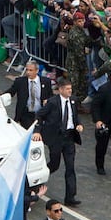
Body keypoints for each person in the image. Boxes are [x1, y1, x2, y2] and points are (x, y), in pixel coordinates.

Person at [33, 78, 84, 206]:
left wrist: (79, 125)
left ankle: (70, 197)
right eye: (67, 89)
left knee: (70, 167)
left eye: (70, 89)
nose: (69, 91)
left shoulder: (73, 101)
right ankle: (37, 180)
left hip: (69, 138)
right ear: (60, 90)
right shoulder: (52, 102)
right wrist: (37, 131)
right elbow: (39, 115)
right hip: (55, 138)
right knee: (54, 164)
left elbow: (75, 116)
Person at [3, 60, 52, 129]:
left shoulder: (46, 82)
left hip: (40, 114)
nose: (28, 72)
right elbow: (10, 92)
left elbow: (50, 96)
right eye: (27, 70)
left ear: (37, 71)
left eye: (31, 70)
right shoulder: (20, 82)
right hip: (25, 114)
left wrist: (47, 101)